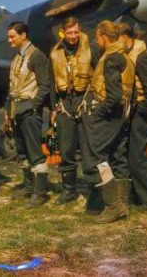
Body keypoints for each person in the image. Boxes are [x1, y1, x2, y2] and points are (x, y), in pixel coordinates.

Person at [81, 20, 135, 224]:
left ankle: (114, 206)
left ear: (103, 37)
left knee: (96, 157)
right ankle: (122, 203)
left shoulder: (112, 59)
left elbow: (113, 96)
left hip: (108, 114)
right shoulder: (124, 57)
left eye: (98, 37)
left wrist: (98, 113)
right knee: (116, 156)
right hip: (120, 114)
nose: (97, 41)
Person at [5, 21, 52, 207]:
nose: (9, 40)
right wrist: (8, 112)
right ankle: (29, 186)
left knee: (35, 152)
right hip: (16, 109)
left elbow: (45, 85)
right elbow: (12, 86)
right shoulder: (17, 57)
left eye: (12, 37)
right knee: (22, 151)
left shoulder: (37, 55)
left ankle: (40, 193)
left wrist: (34, 106)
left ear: (23, 35)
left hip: (29, 110)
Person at [49, 17, 95, 206]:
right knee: (66, 149)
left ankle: (94, 191)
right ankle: (69, 190)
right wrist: (53, 108)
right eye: (70, 33)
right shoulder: (55, 53)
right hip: (64, 104)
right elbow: (52, 83)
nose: (74, 36)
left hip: (85, 101)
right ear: (63, 33)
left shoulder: (92, 49)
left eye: (76, 32)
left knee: (88, 149)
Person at [118, 23, 147, 210]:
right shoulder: (126, 54)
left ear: (128, 38)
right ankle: (136, 194)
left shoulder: (141, 57)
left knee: (137, 156)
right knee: (129, 154)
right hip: (129, 111)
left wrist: (142, 109)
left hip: (138, 111)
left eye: (119, 40)